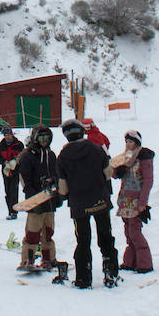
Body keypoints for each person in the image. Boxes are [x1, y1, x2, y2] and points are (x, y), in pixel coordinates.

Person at [57, 118, 119, 288]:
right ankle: (111, 272)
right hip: (100, 200)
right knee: (106, 237)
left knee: (83, 240)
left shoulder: (63, 156)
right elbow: (108, 173)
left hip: (79, 204)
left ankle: (84, 278)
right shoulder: (97, 149)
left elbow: (63, 187)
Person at [14, 124, 60, 270]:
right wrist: (32, 197)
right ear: (35, 138)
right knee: (32, 233)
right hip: (35, 202)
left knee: (48, 233)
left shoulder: (51, 155)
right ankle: (28, 259)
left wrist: (58, 193)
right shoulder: (28, 157)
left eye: (47, 138)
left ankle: (49, 258)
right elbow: (25, 179)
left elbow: (57, 174)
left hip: (49, 201)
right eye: (41, 138)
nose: (44, 141)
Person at [112, 130, 155, 274]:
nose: (128, 144)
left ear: (136, 143)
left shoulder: (143, 158)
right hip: (125, 199)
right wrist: (115, 169)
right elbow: (114, 173)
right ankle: (130, 261)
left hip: (136, 200)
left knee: (135, 232)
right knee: (128, 232)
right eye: (126, 141)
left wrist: (143, 202)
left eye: (131, 141)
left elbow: (148, 181)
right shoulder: (125, 157)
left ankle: (145, 263)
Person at [0, 128, 25, 219]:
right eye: (5, 135)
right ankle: (10, 210)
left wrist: (16, 161)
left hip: (16, 170)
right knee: (8, 191)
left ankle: (14, 212)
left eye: (9, 135)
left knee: (14, 190)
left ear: (12, 134)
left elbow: (23, 156)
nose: (7, 137)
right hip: (6, 171)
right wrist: (4, 162)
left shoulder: (19, 145)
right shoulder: (0, 146)